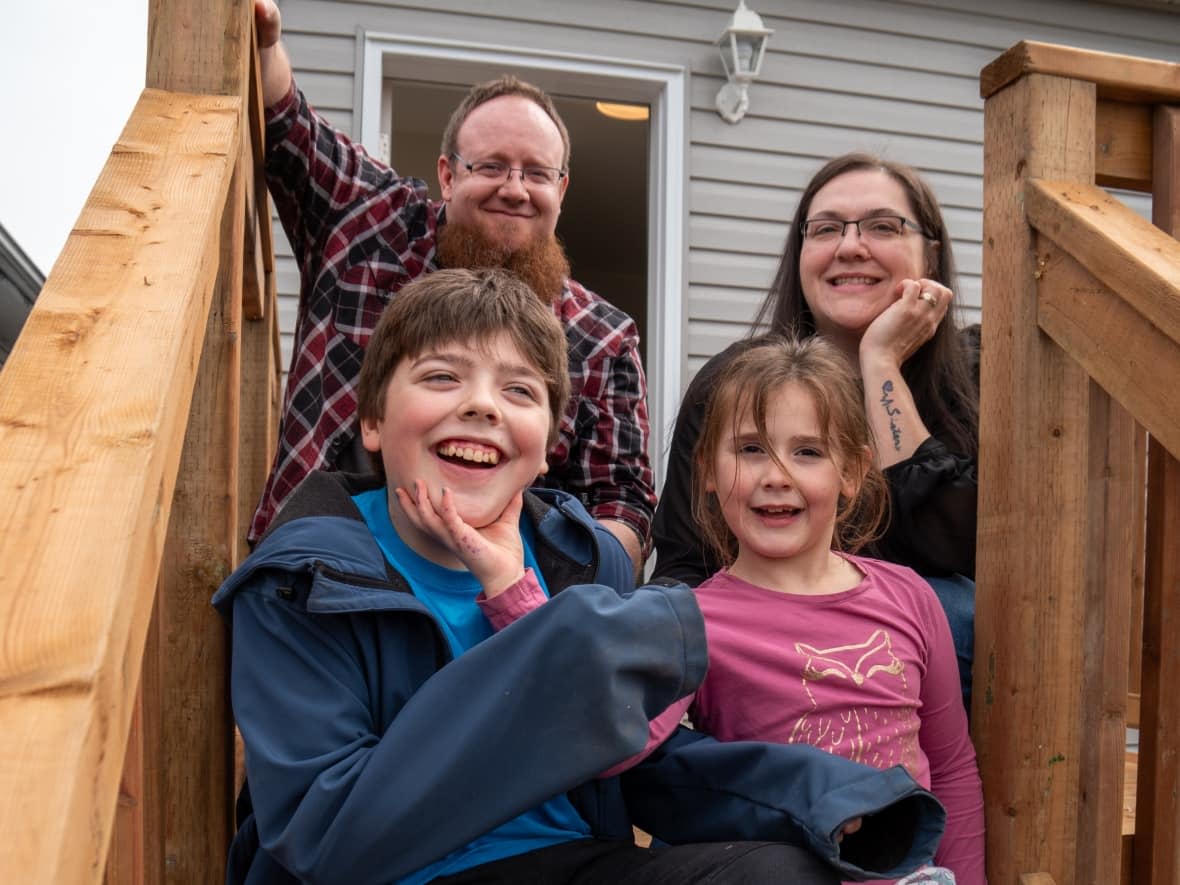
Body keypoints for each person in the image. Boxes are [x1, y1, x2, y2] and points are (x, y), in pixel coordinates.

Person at [213, 269, 946, 884]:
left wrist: (831, 800)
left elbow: (647, 761)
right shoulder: (304, 577)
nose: (480, 404)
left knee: (780, 873)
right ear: (372, 421)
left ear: (545, 448)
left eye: (520, 391)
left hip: (567, 861)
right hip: (396, 872)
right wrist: (554, 642)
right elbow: (328, 833)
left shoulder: (578, 558)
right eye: (442, 376)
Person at [248, 0, 653, 570]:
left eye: (537, 173)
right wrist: (263, 43)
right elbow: (288, 123)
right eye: (490, 166)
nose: (515, 189)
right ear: (447, 174)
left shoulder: (603, 337)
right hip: (307, 572)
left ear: (562, 190)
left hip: (482, 611)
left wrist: (539, 590)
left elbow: (624, 505)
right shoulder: (368, 219)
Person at [623, 336, 985, 885]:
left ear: (853, 474)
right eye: (750, 449)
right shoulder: (691, 621)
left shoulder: (910, 597)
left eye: (808, 452)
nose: (776, 475)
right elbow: (637, 748)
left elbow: (952, 764)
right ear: (707, 471)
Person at [652, 153, 979, 700]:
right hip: (764, 651)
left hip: (922, 678)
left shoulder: (974, 373)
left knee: (960, 610)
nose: (850, 246)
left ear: (932, 255)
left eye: (883, 226)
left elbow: (951, 548)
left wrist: (881, 364)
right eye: (826, 228)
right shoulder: (735, 380)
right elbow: (684, 561)